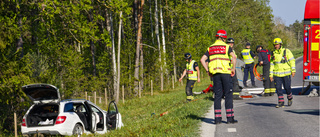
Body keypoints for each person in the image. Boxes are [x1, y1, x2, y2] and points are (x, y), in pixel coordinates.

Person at [200, 29, 238, 124]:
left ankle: (217, 119)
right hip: (225, 73)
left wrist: (208, 70)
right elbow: (234, 57)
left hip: (215, 74)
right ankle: (230, 118)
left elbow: (202, 60)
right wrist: (233, 68)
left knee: (218, 95)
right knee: (228, 94)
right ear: (223, 38)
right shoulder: (226, 47)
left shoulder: (211, 48)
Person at [270, 38, 296, 108]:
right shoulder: (273, 53)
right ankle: (281, 102)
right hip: (277, 75)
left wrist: (293, 70)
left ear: (281, 44)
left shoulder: (286, 51)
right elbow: (272, 64)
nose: (276, 46)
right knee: (278, 88)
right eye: (275, 45)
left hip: (286, 74)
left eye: (277, 44)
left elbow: (292, 61)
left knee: (287, 87)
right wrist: (271, 75)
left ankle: (290, 98)